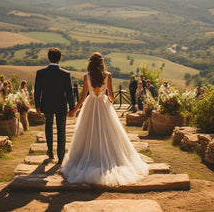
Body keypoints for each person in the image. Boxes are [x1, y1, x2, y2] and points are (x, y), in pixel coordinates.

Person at [62, 52, 149, 186]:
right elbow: (112, 96)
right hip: (103, 104)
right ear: (102, 63)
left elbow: (83, 96)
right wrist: (106, 101)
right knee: (108, 132)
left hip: (90, 105)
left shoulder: (86, 77)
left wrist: (75, 109)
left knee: (87, 132)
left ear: (90, 63)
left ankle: (89, 157)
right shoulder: (108, 76)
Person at [34, 47, 75, 162]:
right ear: (60, 58)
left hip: (46, 104)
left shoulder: (40, 73)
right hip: (61, 105)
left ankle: (50, 151)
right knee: (61, 130)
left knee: (48, 126)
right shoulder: (65, 74)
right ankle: (61, 157)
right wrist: (72, 108)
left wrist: (37, 105)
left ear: (48, 58)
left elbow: (37, 91)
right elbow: (69, 94)